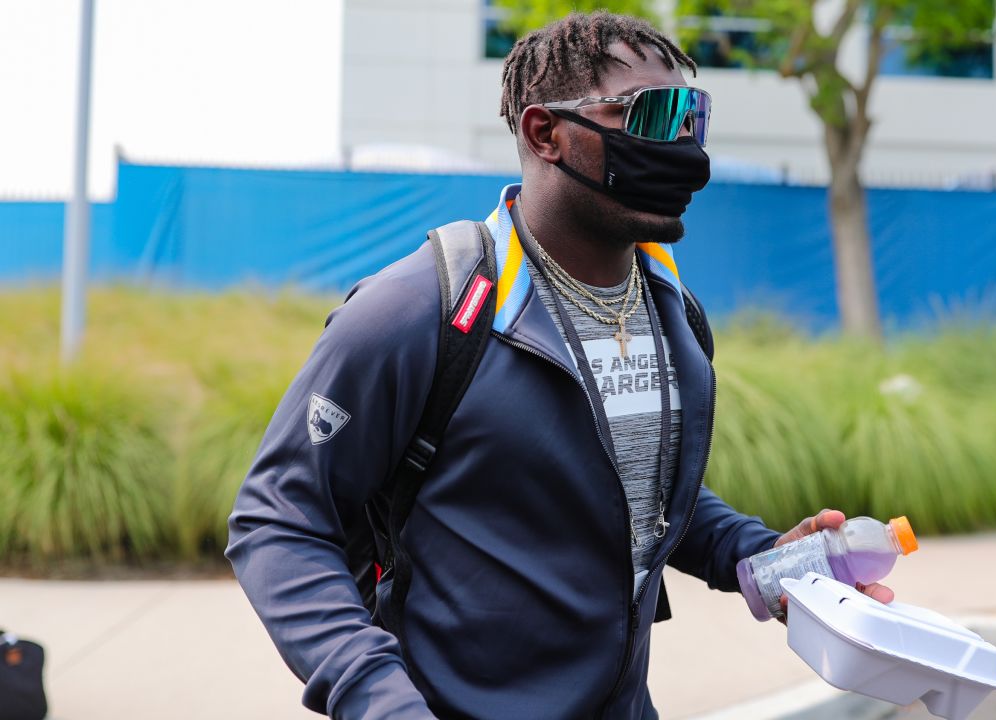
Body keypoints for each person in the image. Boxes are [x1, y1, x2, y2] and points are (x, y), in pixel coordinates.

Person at [225, 11, 892, 720]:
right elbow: (278, 522)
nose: (683, 148)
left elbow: (637, 491)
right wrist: (378, 699)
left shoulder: (674, 313)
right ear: (546, 133)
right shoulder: (420, 310)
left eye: (692, 118)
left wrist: (759, 558)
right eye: (652, 116)